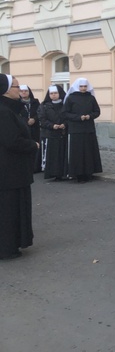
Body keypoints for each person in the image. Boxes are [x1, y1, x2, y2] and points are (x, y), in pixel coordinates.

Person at [0, 74, 38, 260]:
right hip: (9, 171)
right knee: (8, 210)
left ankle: (12, 243)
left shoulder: (10, 109)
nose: (19, 89)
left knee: (13, 208)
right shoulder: (4, 112)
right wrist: (33, 145)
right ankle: (6, 247)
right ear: (6, 90)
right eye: (16, 86)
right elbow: (11, 140)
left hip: (13, 170)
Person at [63, 78, 103, 183]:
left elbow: (97, 111)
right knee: (78, 152)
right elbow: (65, 113)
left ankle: (89, 172)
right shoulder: (71, 98)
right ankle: (78, 173)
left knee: (89, 151)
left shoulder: (91, 98)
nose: (83, 88)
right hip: (75, 129)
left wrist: (89, 116)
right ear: (77, 87)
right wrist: (78, 117)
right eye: (81, 86)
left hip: (88, 128)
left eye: (85, 86)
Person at [38, 85, 68, 181]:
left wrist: (64, 124)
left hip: (63, 133)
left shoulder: (65, 104)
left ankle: (65, 173)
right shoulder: (44, 105)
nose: (53, 95)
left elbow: (69, 116)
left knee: (64, 153)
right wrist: (52, 125)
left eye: (55, 93)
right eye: (51, 93)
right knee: (53, 156)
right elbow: (42, 119)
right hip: (51, 134)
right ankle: (55, 174)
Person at [19, 85, 42, 173]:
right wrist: (26, 120)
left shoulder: (35, 102)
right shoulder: (17, 102)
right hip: (23, 127)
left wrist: (34, 119)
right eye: (21, 91)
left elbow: (39, 112)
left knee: (35, 146)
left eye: (25, 91)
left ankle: (35, 167)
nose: (24, 93)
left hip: (35, 128)